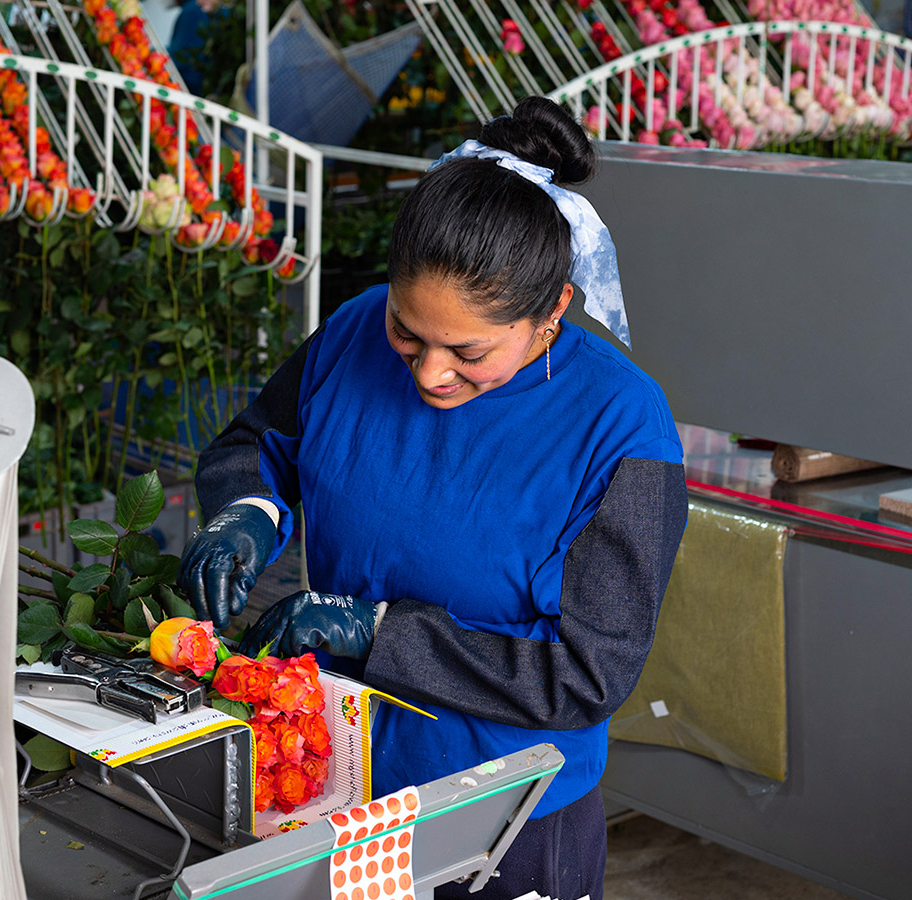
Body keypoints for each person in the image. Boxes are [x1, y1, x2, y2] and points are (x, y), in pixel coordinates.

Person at [177, 95, 688, 900]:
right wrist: (247, 515)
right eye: (408, 333)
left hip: (497, 812)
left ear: (552, 309)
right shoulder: (349, 335)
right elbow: (260, 445)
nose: (428, 373)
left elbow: (588, 673)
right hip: (329, 770)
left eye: (469, 351)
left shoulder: (621, 431)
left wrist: (375, 632)